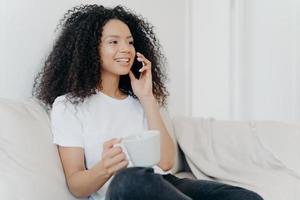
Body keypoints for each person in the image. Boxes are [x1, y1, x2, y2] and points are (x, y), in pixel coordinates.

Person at [33, 4, 263, 200]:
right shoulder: (69, 105)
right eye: (114, 42)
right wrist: (105, 168)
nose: (126, 49)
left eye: (130, 42)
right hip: (124, 190)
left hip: (163, 185)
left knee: (245, 197)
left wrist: (147, 97)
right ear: (89, 49)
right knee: (130, 179)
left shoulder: (138, 100)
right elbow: (76, 184)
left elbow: (165, 164)